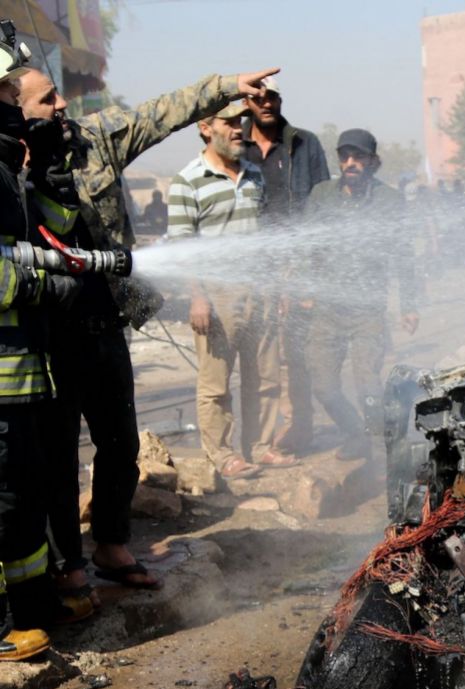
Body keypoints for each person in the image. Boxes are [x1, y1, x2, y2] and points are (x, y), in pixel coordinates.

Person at [19, 63, 280, 594]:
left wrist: (229, 87)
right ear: (15, 106)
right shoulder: (10, 162)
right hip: (45, 335)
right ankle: (69, 562)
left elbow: (166, 111)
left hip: (104, 322)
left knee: (119, 442)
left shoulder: (95, 141)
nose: (62, 106)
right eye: (47, 100)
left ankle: (113, 545)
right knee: (57, 451)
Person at [0, 33, 87, 658]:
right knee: (4, 500)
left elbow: (51, 232)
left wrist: (52, 177)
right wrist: (39, 285)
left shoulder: (9, 166)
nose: (18, 100)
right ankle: (4, 624)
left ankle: (32, 608)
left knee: (29, 495)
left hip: (28, 373)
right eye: (10, 90)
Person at [168, 103, 295, 478]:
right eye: (229, 124)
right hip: (216, 296)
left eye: (241, 123)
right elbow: (182, 246)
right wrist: (198, 296)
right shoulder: (187, 181)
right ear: (206, 129)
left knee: (267, 377)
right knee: (215, 385)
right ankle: (223, 456)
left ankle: (260, 446)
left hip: (259, 292)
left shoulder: (254, 174)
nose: (239, 130)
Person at [302, 128, 418, 460]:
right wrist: (302, 288)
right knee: (323, 386)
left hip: (368, 310)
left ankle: (385, 446)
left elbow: (404, 256)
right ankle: (355, 432)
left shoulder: (390, 201)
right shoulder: (322, 195)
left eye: (358, 157)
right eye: (344, 156)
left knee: (367, 383)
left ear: (372, 161)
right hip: (326, 309)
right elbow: (304, 245)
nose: (350, 163)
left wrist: (408, 306)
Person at [242, 75, 329, 455]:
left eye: (272, 96)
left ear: (280, 100)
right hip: (253, 265)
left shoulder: (304, 143)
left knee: (296, 351)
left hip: (299, 263)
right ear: (247, 102)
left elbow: (322, 202)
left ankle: (297, 428)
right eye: (258, 96)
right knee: (259, 354)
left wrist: (308, 266)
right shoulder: (236, 144)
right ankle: (258, 435)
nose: (266, 102)